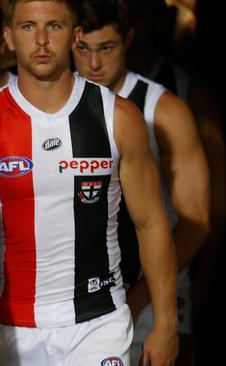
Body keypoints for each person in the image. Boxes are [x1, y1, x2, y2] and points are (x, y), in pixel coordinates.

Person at [0, 0, 179, 365]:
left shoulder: (119, 117)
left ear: (74, 37)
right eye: (28, 27)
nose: (41, 40)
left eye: (54, 27)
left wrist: (166, 322)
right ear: (8, 38)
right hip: (11, 327)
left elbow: (151, 222)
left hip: (99, 323)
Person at [71, 1, 210, 364]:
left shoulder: (164, 110)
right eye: (83, 49)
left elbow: (196, 222)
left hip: (150, 299)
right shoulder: (55, 107)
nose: (94, 64)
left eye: (106, 48)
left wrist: (141, 299)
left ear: (129, 39)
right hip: (75, 304)